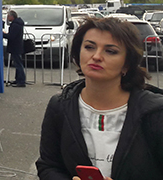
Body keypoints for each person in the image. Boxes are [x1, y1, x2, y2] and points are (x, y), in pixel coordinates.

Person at [36, 18, 163, 179]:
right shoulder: (60, 105)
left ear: (127, 64)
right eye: (89, 47)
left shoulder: (155, 112)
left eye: (110, 51)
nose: (96, 56)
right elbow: (48, 165)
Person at [3, 10, 26, 87]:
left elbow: (12, 36)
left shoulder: (15, 25)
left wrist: (3, 34)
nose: (7, 18)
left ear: (12, 16)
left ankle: (21, 81)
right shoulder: (18, 24)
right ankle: (18, 79)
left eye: (8, 16)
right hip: (17, 46)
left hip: (15, 47)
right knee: (17, 63)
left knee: (18, 64)